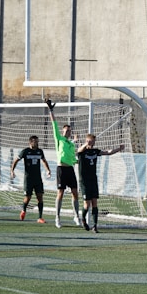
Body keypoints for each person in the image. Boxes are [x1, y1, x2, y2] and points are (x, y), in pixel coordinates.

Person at [76, 133, 124, 233]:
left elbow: (108, 152)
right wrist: (85, 144)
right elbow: (78, 151)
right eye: (91, 141)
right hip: (84, 181)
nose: (93, 143)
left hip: (93, 180)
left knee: (94, 203)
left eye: (94, 141)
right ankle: (83, 219)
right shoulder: (82, 151)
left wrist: (118, 149)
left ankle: (95, 226)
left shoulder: (95, 151)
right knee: (86, 204)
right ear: (88, 141)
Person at [46, 98, 81, 229]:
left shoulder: (71, 144)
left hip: (70, 169)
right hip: (61, 169)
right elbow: (54, 123)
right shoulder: (59, 139)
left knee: (75, 192)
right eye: (65, 131)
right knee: (60, 193)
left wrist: (77, 159)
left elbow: (73, 158)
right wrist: (51, 110)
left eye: (69, 131)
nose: (67, 132)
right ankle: (57, 217)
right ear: (62, 132)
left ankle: (76, 216)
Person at [10, 135, 52, 223]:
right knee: (28, 197)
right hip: (28, 178)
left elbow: (44, 161)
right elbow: (16, 161)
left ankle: (40, 217)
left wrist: (48, 170)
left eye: (37, 141)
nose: (37, 143)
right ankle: (24, 210)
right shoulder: (25, 151)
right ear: (30, 142)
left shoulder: (40, 151)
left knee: (40, 197)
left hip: (38, 178)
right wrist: (12, 171)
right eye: (35, 141)